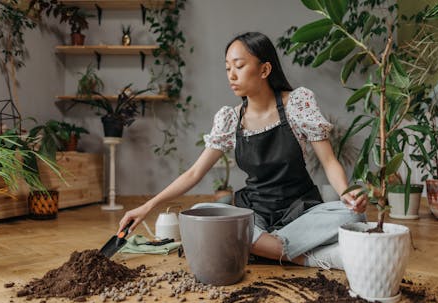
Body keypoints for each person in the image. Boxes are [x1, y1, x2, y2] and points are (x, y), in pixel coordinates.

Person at [118, 32, 367, 270]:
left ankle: (262, 248)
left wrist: (347, 193)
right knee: (200, 215)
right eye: (228, 68)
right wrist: (147, 207)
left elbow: (329, 161)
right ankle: (306, 256)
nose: (231, 76)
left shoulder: (297, 104)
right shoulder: (230, 118)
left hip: (300, 212)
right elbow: (194, 174)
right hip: (253, 215)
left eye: (238, 66)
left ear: (264, 70)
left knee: (353, 217)